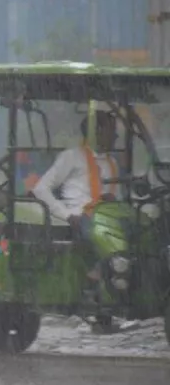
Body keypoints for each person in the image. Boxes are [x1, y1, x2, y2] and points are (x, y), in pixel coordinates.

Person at [31, 110, 122, 288]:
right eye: (112, 131)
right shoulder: (71, 157)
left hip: (110, 218)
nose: (116, 136)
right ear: (96, 133)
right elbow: (40, 189)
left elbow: (117, 195)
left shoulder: (113, 163)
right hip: (83, 217)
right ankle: (99, 273)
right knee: (106, 237)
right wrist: (66, 215)